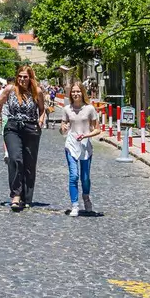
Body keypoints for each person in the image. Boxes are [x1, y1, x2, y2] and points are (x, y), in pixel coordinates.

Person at [0, 67, 46, 210]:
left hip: (31, 128)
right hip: (12, 127)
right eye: (20, 76)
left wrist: (41, 121)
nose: (22, 79)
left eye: (25, 77)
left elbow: (42, 110)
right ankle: (16, 195)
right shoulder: (10, 89)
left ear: (30, 78)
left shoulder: (37, 92)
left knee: (29, 163)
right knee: (15, 158)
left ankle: (26, 197)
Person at [64, 83, 100, 216]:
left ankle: (86, 197)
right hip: (71, 145)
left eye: (78, 91)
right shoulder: (67, 109)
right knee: (74, 175)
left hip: (85, 145)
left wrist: (86, 135)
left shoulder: (90, 109)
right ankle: (75, 205)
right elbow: (63, 128)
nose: (75, 94)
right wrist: (63, 128)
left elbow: (97, 129)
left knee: (85, 178)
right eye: (73, 92)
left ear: (82, 92)